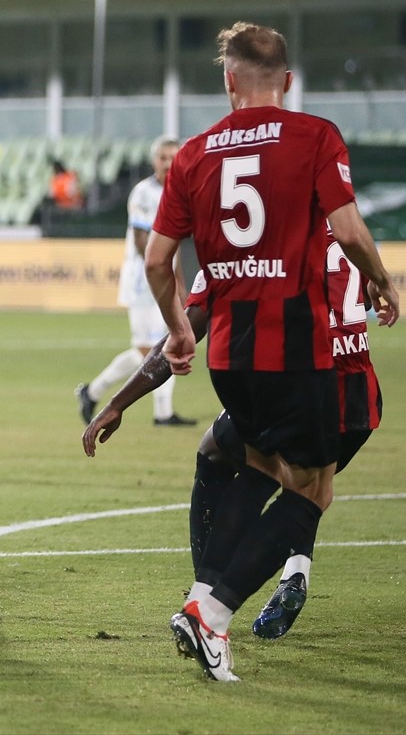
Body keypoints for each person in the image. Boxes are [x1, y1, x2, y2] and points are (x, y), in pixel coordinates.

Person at [144, 22, 399, 681]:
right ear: (286, 79)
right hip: (296, 341)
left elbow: (158, 259)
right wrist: (379, 275)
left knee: (257, 464)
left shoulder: (195, 153)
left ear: (227, 79)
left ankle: (198, 600)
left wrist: (177, 327)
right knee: (312, 488)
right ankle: (214, 616)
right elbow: (347, 230)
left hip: (230, 349)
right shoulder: (313, 135)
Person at [83, 224, 383, 641]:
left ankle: (209, 603)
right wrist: (381, 285)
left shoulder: (246, 243)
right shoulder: (339, 229)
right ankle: (292, 576)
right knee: (308, 487)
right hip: (359, 398)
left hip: (296, 386)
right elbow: (364, 274)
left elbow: (185, 329)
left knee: (235, 460)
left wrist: (119, 402)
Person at [75, 136, 196, 428]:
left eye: (172, 157)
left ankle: (160, 411)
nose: (168, 163)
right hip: (144, 280)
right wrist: (164, 277)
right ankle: (94, 392)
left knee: (164, 342)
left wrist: (180, 285)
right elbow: (145, 243)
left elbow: (175, 247)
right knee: (148, 350)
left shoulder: (180, 191)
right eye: (162, 157)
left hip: (164, 277)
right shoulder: (144, 193)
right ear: (154, 161)